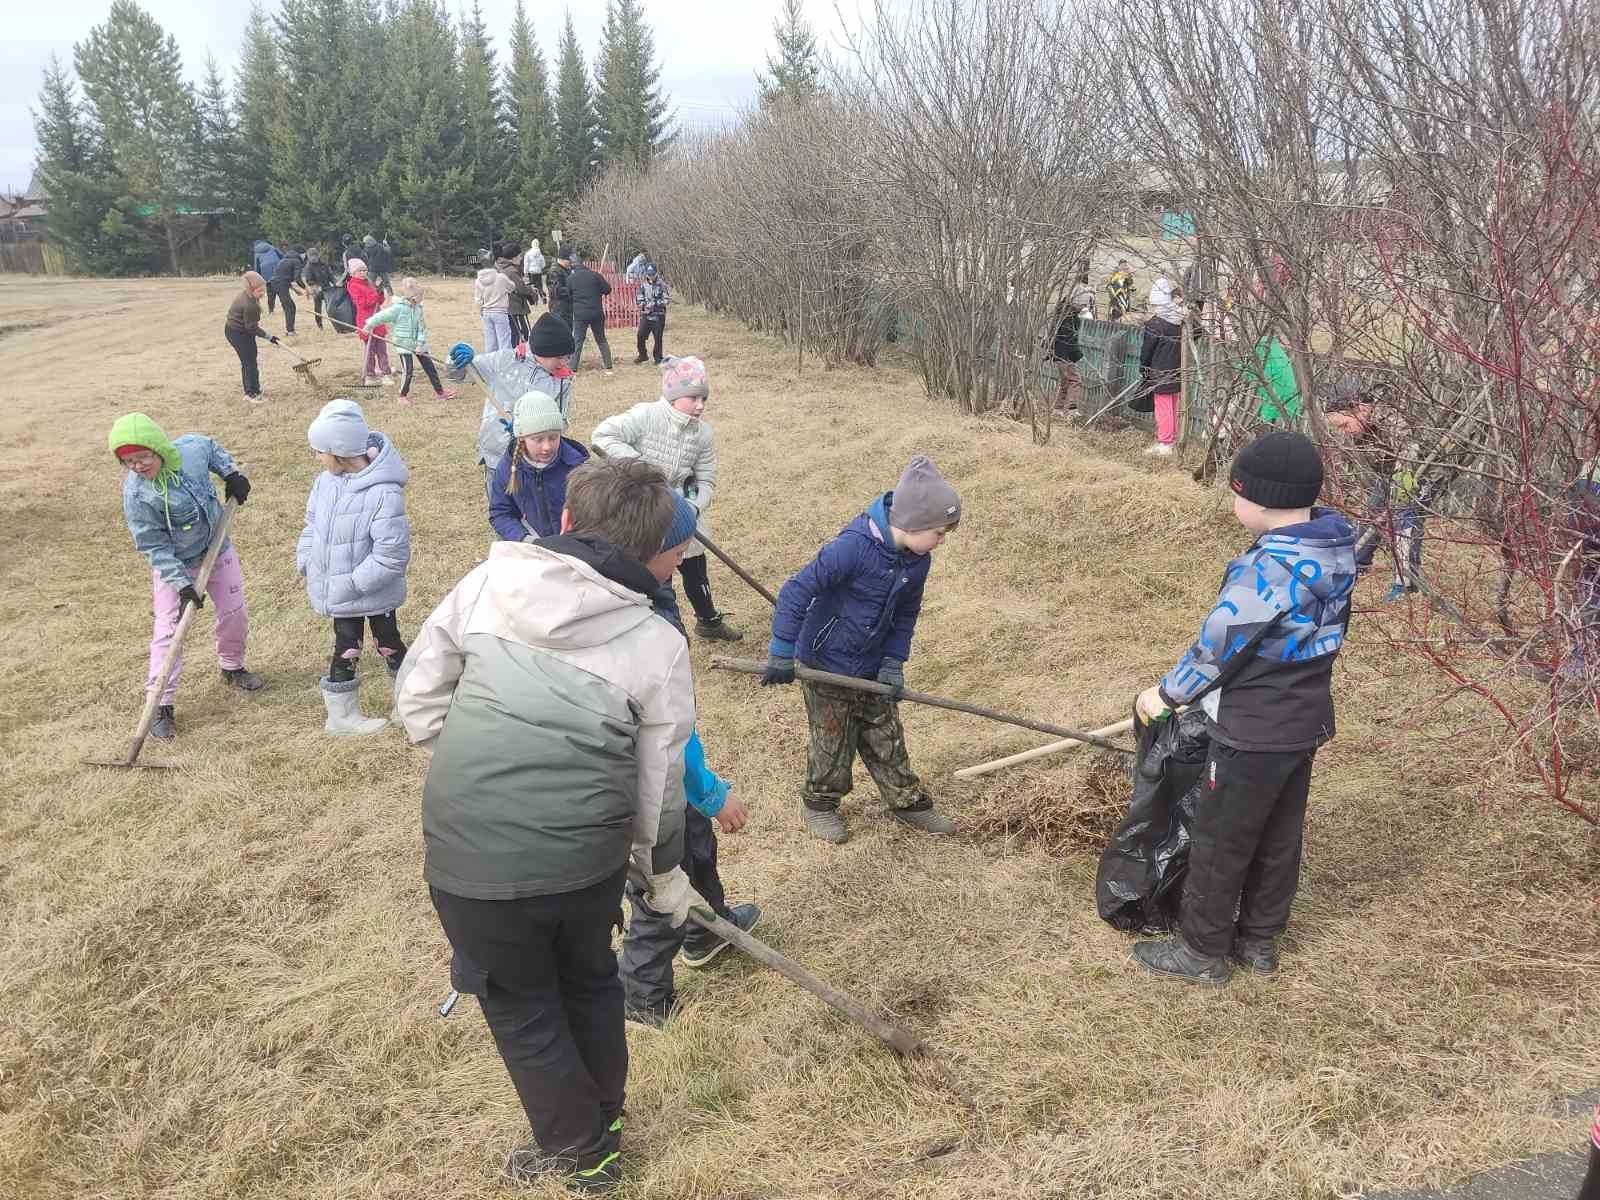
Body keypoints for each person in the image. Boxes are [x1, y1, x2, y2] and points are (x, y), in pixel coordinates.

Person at [394, 457, 698, 1194]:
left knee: (525, 1011)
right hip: (587, 859)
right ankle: (604, 1119)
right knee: (591, 981)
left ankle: (586, 1154)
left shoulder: (488, 585)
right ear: (656, 552)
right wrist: (663, 880)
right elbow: (660, 790)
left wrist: (475, 760)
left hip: (475, 861)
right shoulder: (659, 645)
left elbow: (419, 703)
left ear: (563, 521)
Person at [1131, 431, 1356, 984]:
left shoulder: (1271, 567)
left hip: (1251, 728)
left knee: (1220, 840)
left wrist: (1165, 695)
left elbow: (1220, 643)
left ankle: (1201, 952)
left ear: (1256, 499)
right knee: (1280, 836)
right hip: (1302, 720)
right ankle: (1259, 941)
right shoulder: (1334, 547)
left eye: (1235, 494)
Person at [760, 455, 962, 844]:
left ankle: (909, 803)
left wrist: (892, 662)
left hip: (870, 664)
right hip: (828, 662)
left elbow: (906, 614)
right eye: (938, 533)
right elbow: (796, 591)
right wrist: (783, 649)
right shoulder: (851, 548)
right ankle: (820, 804)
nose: (940, 541)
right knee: (833, 739)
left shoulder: (917, 562)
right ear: (913, 522)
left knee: (885, 734)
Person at [619, 499, 762, 1030]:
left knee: (694, 864)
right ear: (649, 551)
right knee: (660, 888)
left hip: (652, 784)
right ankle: (643, 993)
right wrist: (711, 792)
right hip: (655, 793)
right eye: (677, 552)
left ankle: (706, 931)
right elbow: (670, 738)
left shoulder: (640, 600)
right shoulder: (640, 626)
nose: (683, 562)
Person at [109, 413, 261, 742]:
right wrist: (181, 584)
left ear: (159, 448)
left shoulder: (190, 451)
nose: (137, 466)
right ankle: (160, 704)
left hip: (216, 548)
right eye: (128, 461)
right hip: (175, 565)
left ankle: (232, 666)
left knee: (235, 613)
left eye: (143, 457)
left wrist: (231, 474)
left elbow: (212, 448)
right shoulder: (137, 495)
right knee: (169, 631)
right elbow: (152, 543)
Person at [592, 357, 741, 642]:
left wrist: (693, 506)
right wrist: (643, 470)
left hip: (683, 509)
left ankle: (708, 621)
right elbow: (602, 436)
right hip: (647, 510)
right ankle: (668, 631)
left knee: (695, 568)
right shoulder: (646, 416)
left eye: (704, 398)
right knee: (660, 577)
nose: (700, 405)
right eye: (693, 398)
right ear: (673, 395)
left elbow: (705, 477)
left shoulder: (703, 434)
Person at [297, 399, 412, 736]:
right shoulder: (325, 482)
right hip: (340, 589)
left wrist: (352, 583)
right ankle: (342, 717)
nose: (316, 458)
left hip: (369, 590)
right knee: (346, 645)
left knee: (389, 641)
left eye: (320, 451)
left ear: (339, 450)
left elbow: (391, 555)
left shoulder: (384, 493)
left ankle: (413, 701)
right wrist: (306, 557)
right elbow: (311, 524)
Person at [453, 312, 578, 500]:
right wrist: (456, 360)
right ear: (542, 352)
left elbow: (562, 421)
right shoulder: (502, 362)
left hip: (535, 458)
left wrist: (535, 428)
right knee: (502, 508)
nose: (565, 362)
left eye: (567, 357)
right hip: (497, 453)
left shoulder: (562, 381)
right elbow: (459, 374)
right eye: (560, 357)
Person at [1325, 376, 1424, 602]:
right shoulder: (1362, 425)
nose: (1344, 431)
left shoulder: (1389, 416)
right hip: (1389, 473)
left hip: (1417, 473)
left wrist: (1404, 479)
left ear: (1361, 409)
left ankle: (1405, 583)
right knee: (1372, 512)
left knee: (1404, 520)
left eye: (1343, 424)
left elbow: (1409, 446)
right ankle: (1359, 563)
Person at [489, 391, 591, 542]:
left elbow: (596, 512)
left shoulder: (577, 467)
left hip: (575, 546)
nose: (547, 447)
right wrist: (524, 538)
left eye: (553, 437)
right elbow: (500, 513)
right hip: (532, 546)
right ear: (522, 438)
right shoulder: (508, 469)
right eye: (538, 439)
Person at [365, 278, 459, 405]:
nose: (422, 298)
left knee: (430, 368)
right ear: (414, 297)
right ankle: (402, 396)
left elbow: (422, 328)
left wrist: (420, 344)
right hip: (403, 345)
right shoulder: (398, 309)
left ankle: (440, 392)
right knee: (408, 370)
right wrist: (368, 325)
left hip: (419, 345)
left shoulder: (418, 309)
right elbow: (380, 316)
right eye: (421, 296)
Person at [1138, 277, 1187, 456]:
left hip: (1160, 371)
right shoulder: (1181, 321)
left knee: (1163, 407)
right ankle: (1171, 438)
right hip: (1178, 369)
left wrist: (1143, 368)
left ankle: (1165, 443)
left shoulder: (1156, 324)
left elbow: (1146, 351)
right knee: (1173, 404)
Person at [225, 271, 279, 405]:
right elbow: (251, 328)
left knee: (250, 360)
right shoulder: (250, 305)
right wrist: (269, 337)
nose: (263, 293)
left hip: (240, 331)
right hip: (238, 333)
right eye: (259, 291)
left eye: (263, 290)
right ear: (251, 289)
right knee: (249, 362)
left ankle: (255, 389)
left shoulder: (249, 296)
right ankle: (251, 393)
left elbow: (250, 327)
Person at [1047, 271, 1093, 415]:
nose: (1083, 308)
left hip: (1059, 354)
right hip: (1063, 355)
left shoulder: (1064, 313)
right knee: (1075, 380)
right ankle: (1072, 410)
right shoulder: (1067, 317)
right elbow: (1068, 341)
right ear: (1076, 302)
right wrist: (1075, 356)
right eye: (1083, 305)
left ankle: (1058, 409)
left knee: (1065, 382)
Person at [567, 253, 615, 375]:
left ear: (573, 266)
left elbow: (568, 295)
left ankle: (573, 368)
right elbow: (608, 290)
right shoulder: (595, 275)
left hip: (580, 314)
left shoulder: (571, 279)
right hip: (596, 312)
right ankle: (608, 365)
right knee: (601, 339)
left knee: (578, 340)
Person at [346, 259, 391, 386]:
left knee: (382, 349)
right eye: (359, 271)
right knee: (370, 350)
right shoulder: (353, 285)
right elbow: (362, 303)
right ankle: (370, 375)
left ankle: (386, 373)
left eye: (364, 270)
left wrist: (380, 293)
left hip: (377, 319)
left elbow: (379, 302)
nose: (363, 273)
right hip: (366, 321)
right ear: (353, 273)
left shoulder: (369, 283)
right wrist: (375, 296)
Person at [497, 242, 539, 345]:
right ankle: (517, 357)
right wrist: (532, 290)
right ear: (513, 257)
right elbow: (521, 289)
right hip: (514, 307)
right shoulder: (511, 271)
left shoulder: (501, 267)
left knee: (513, 334)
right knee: (519, 334)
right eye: (519, 256)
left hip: (507, 306)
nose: (521, 258)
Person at [475, 263, 516, 353]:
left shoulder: (478, 280)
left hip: (486, 312)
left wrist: (481, 311)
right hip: (500, 312)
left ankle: (490, 363)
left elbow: (478, 300)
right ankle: (505, 363)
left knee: (490, 341)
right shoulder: (501, 277)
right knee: (504, 341)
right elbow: (512, 287)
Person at [634, 264, 669, 365]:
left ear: (656, 273)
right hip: (646, 315)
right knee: (640, 335)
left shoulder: (662, 284)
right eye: (649, 274)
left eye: (652, 274)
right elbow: (639, 298)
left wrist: (656, 304)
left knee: (658, 338)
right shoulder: (643, 284)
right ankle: (642, 355)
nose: (651, 276)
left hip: (658, 315)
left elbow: (666, 299)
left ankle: (658, 358)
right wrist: (644, 304)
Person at [269, 245, 305, 337]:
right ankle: (290, 331)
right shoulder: (296, 261)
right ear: (301, 254)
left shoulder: (285, 259)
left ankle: (290, 330)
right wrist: (305, 288)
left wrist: (295, 289)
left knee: (289, 306)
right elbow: (297, 278)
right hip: (280, 284)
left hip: (273, 283)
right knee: (290, 307)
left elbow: (284, 276)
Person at [303, 248, 335, 331]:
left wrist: (335, 283)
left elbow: (330, 275)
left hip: (327, 289)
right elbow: (309, 280)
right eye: (311, 256)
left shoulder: (324, 264)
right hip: (317, 291)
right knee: (318, 309)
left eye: (315, 255)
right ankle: (320, 325)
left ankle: (336, 323)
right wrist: (316, 286)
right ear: (308, 256)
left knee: (331, 307)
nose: (313, 258)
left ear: (318, 255)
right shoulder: (308, 267)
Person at [251, 237, 283, 310]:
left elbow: (257, 266)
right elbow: (282, 255)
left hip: (265, 271)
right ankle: (286, 306)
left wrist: (258, 278)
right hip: (278, 267)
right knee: (281, 289)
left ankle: (271, 310)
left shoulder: (256, 252)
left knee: (270, 292)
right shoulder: (272, 247)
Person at [548, 247, 574, 325]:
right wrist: (573, 289)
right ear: (564, 259)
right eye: (569, 259)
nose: (571, 262)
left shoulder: (566, 270)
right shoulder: (554, 271)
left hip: (567, 307)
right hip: (559, 308)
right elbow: (556, 291)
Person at [523, 238, 547, 303]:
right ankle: (543, 296)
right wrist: (540, 268)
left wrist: (525, 272)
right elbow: (543, 264)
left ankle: (535, 299)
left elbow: (526, 263)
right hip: (538, 271)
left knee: (533, 286)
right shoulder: (540, 254)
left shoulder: (528, 253)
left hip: (531, 272)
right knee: (539, 286)